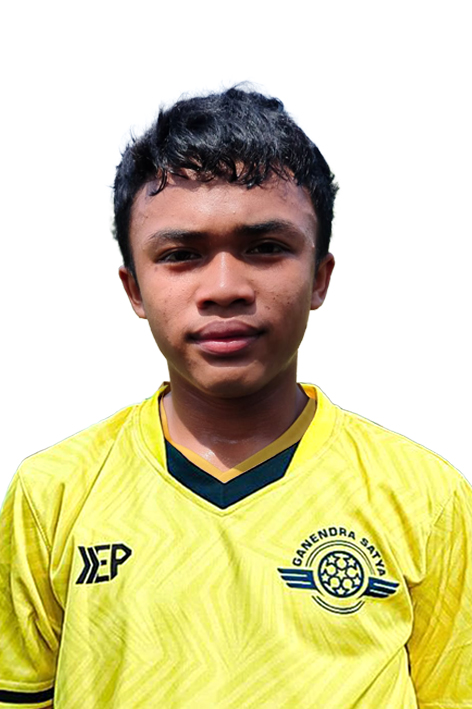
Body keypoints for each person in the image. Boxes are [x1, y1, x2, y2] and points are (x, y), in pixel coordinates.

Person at [0, 87, 471, 709]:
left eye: (265, 248)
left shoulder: (426, 498)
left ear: (319, 277)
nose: (224, 287)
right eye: (181, 255)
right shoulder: (53, 493)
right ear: (134, 289)